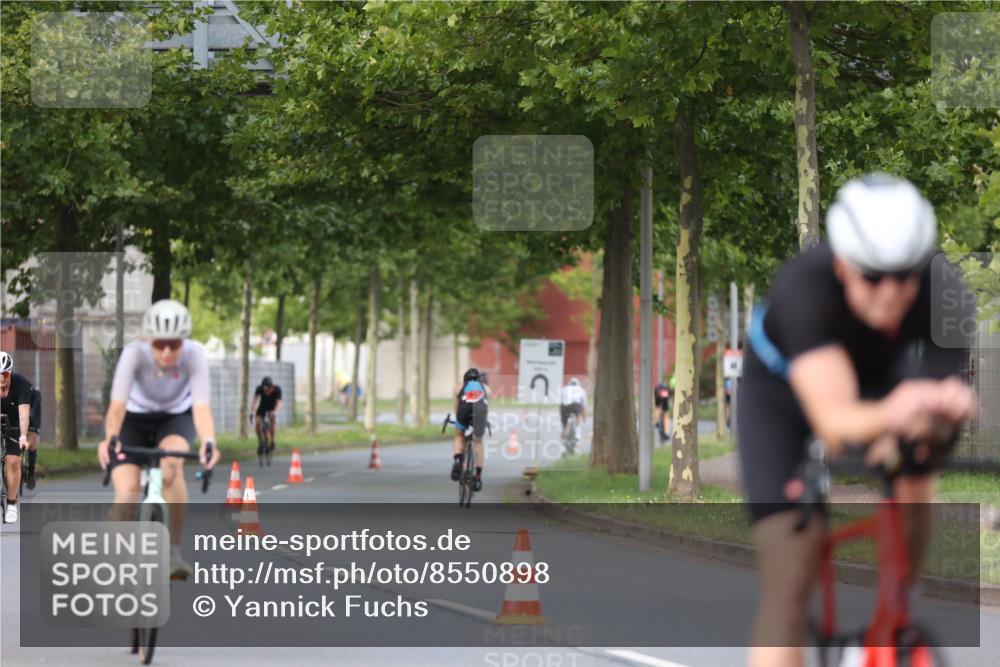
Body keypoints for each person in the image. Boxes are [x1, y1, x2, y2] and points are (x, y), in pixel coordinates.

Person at [738, 174, 977, 667]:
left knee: (917, 465)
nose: (890, 294)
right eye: (873, 278)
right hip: (783, 395)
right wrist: (902, 410)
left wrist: (938, 421)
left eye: (905, 276)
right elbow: (836, 423)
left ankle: (893, 617)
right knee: (789, 569)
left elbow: (930, 416)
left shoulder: (944, 293)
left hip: (880, 379)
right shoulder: (805, 289)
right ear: (844, 266)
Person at [98, 299, 221, 578]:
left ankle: (173, 552)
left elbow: (201, 408)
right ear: (148, 338)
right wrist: (111, 438)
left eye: (174, 344)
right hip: (133, 418)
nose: (167, 351)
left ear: (184, 341)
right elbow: (116, 406)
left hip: (175, 418)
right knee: (127, 490)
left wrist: (209, 442)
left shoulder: (195, 356)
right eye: (160, 343)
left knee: (170, 469)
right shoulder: (133, 354)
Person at [0, 351, 31, 523]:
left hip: (15, 421)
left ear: (10, 372)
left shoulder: (21, 384)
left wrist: (23, 436)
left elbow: (24, 414)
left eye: (4, 374)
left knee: (13, 461)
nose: (1, 379)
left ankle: (11, 503)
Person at [450, 368, 489, 490]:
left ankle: (457, 460)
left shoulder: (458, 386)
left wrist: (459, 424)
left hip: (464, 410)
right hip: (480, 412)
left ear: (465, 379)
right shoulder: (486, 388)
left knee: (459, 435)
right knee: (478, 440)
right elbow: (486, 406)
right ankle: (478, 476)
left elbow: (456, 406)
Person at [249, 376, 283, 450]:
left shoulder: (277, 389)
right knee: (258, 423)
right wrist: (252, 411)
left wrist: (275, 412)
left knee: (272, 421)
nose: (266, 392)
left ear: (272, 387)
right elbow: (255, 400)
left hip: (272, 408)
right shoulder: (259, 388)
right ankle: (261, 442)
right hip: (262, 408)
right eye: (265, 390)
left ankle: (273, 441)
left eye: (268, 390)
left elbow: (279, 403)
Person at [559, 377, 588, 446]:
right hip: (575, 406)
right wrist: (584, 418)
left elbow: (561, 401)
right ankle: (578, 434)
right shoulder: (581, 390)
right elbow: (584, 405)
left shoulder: (565, 388)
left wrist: (561, 414)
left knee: (564, 421)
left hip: (564, 406)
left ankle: (564, 430)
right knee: (578, 415)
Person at [24, 387, 41, 489]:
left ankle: (30, 475)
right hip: (18, 414)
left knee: (31, 443)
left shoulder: (35, 395)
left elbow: (34, 412)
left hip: (32, 415)